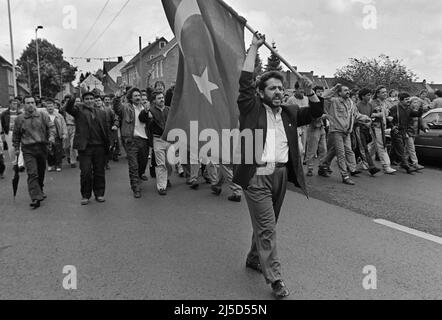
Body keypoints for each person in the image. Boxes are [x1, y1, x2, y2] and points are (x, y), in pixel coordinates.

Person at [233, 33, 324, 298]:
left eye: (280, 88)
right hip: (257, 177)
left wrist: (312, 94)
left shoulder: (289, 112)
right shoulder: (251, 108)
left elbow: (316, 113)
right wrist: (253, 47)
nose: (278, 92)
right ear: (261, 93)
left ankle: (253, 257)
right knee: (267, 228)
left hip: (281, 175)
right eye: (272, 88)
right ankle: (275, 279)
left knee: (268, 225)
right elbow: (244, 82)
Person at [319, 85, 371, 185]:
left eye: (348, 90)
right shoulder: (334, 101)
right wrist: (334, 88)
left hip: (347, 132)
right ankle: (345, 176)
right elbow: (324, 97)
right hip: (336, 131)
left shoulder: (351, 103)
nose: (348, 92)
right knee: (341, 153)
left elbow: (356, 115)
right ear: (339, 93)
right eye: (345, 90)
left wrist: (366, 118)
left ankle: (325, 166)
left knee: (347, 150)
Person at [65, 92, 110, 205]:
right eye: (87, 99)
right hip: (85, 148)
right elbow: (69, 108)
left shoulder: (102, 113)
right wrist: (72, 98)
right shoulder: (79, 112)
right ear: (83, 100)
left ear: (95, 100)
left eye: (91, 99)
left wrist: (108, 144)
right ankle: (85, 195)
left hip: (99, 146)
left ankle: (99, 194)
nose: (89, 101)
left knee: (99, 171)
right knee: (85, 172)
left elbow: (105, 129)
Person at [12, 96, 55, 209]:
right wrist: (16, 148)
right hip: (28, 149)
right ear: (23, 104)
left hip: (42, 147)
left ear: (35, 104)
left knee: (40, 172)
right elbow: (16, 134)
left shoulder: (43, 115)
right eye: (28, 103)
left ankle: (39, 188)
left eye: (32, 102)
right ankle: (35, 197)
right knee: (32, 173)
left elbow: (51, 127)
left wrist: (51, 137)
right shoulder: (19, 119)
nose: (30, 105)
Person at [114, 88, 151, 199]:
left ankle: (139, 175)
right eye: (135, 96)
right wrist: (117, 97)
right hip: (131, 140)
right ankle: (135, 187)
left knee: (143, 162)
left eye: (139, 95)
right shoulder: (126, 108)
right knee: (133, 165)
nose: (138, 97)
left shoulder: (145, 107)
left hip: (144, 140)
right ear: (130, 98)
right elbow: (117, 108)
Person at [389, 93, 423, 174]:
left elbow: (417, 114)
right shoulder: (394, 108)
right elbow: (388, 118)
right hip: (396, 131)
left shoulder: (408, 109)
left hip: (404, 131)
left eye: (409, 99)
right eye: (406, 99)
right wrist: (392, 127)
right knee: (401, 149)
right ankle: (406, 166)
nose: (408, 101)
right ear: (401, 100)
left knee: (395, 147)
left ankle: (390, 160)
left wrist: (420, 106)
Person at [148, 91, 172, 196]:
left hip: (169, 139)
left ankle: (166, 178)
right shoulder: (151, 111)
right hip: (158, 139)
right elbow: (144, 120)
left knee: (169, 163)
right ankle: (161, 186)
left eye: (162, 97)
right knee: (161, 164)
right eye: (159, 98)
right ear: (154, 100)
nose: (162, 99)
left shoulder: (169, 109)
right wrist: (147, 114)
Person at [370, 86, 397, 174]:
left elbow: (385, 114)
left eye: (386, 92)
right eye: (383, 92)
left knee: (373, 145)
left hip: (383, 127)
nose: (385, 94)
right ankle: (386, 166)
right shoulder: (373, 103)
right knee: (382, 146)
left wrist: (388, 117)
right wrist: (378, 115)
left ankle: (364, 160)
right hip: (376, 127)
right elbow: (369, 114)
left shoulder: (385, 102)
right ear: (377, 94)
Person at [356, 88, 381, 176]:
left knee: (358, 148)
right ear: (362, 96)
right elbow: (355, 118)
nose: (370, 97)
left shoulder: (370, 105)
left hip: (367, 129)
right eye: (368, 95)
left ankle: (351, 164)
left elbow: (370, 117)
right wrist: (363, 123)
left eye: (370, 95)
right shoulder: (357, 106)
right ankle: (372, 167)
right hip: (359, 129)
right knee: (364, 148)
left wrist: (370, 122)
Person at [305, 86, 328, 176]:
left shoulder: (322, 101)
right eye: (318, 91)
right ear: (314, 93)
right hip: (313, 127)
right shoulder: (311, 102)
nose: (320, 93)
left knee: (324, 149)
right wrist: (322, 116)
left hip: (321, 127)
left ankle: (321, 168)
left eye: (321, 91)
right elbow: (310, 115)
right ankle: (310, 169)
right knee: (312, 150)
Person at [1, 98, 25, 170]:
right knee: (11, 148)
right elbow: (2, 123)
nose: (15, 105)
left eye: (16, 104)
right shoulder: (4, 114)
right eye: (13, 104)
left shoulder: (20, 113)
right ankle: (14, 162)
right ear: (10, 104)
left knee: (21, 147)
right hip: (9, 132)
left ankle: (20, 164)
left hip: (19, 132)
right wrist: (3, 133)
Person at [45, 98, 67, 172]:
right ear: (46, 107)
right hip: (47, 136)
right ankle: (51, 165)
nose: (50, 108)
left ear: (54, 106)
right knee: (49, 152)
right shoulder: (44, 116)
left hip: (58, 136)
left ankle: (58, 165)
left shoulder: (59, 116)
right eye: (48, 106)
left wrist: (64, 133)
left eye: (51, 106)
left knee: (58, 151)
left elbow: (63, 124)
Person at [60, 95, 78, 168]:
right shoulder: (63, 108)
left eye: (69, 100)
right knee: (65, 146)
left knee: (72, 145)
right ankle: (68, 156)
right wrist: (66, 103)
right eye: (67, 100)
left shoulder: (75, 108)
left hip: (74, 126)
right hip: (65, 127)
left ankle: (73, 161)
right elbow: (61, 110)